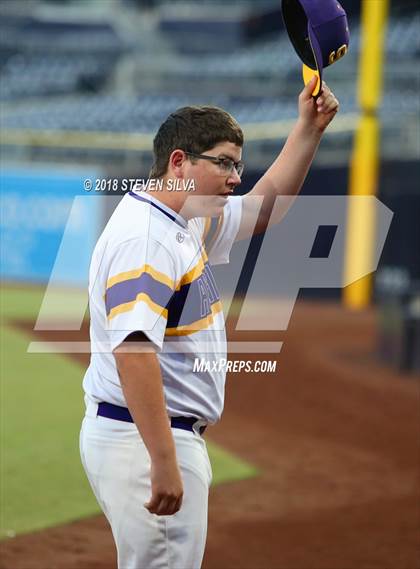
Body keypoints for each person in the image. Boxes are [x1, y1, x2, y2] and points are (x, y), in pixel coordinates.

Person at [80, 75, 339, 569]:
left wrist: (309, 128)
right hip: (143, 441)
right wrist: (161, 461)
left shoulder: (183, 217)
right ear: (179, 162)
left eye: (237, 165)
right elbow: (133, 351)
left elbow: (264, 210)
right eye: (223, 163)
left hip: (145, 436)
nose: (235, 176)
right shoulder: (148, 239)